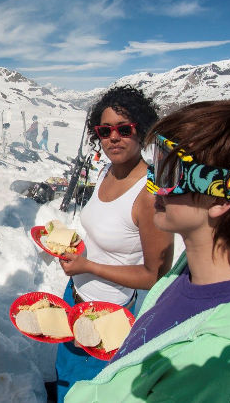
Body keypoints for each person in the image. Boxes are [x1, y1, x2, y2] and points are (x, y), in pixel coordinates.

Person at [67, 98, 230, 402]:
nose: (152, 183)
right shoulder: (190, 273)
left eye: (170, 173)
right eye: (159, 164)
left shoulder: (212, 366)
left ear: (220, 199)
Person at [52, 85, 174, 402]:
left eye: (124, 128)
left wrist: (88, 265)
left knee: (89, 387)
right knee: (66, 366)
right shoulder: (107, 170)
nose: (113, 138)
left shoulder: (149, 195)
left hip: (107, 312)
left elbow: (155, 274)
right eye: (105, 130)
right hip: (75, 292)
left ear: (142, 131)